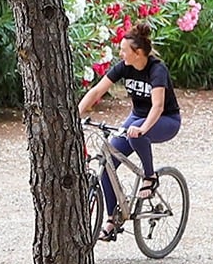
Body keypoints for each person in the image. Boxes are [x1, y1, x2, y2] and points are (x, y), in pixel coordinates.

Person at [77, 22, 180, 240]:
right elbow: (97, 90)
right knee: (107, 163)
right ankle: (112, 220)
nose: (121, 54)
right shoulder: (124, 66)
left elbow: (158, 106)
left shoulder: (157, 70)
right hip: (137, 117)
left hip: (166, 120)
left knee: (136, 135)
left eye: (124, 50)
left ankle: (150, 177)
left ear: (138, 53)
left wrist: (142, 128)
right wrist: (75, 115)